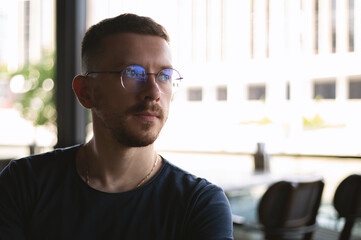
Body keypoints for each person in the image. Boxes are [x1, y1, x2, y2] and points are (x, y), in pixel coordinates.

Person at [0, 13, 233, 239]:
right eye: (133, 73)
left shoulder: (199, 203)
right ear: (86, 92)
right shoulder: (24, 184)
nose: (153, 92)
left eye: (164, 76)